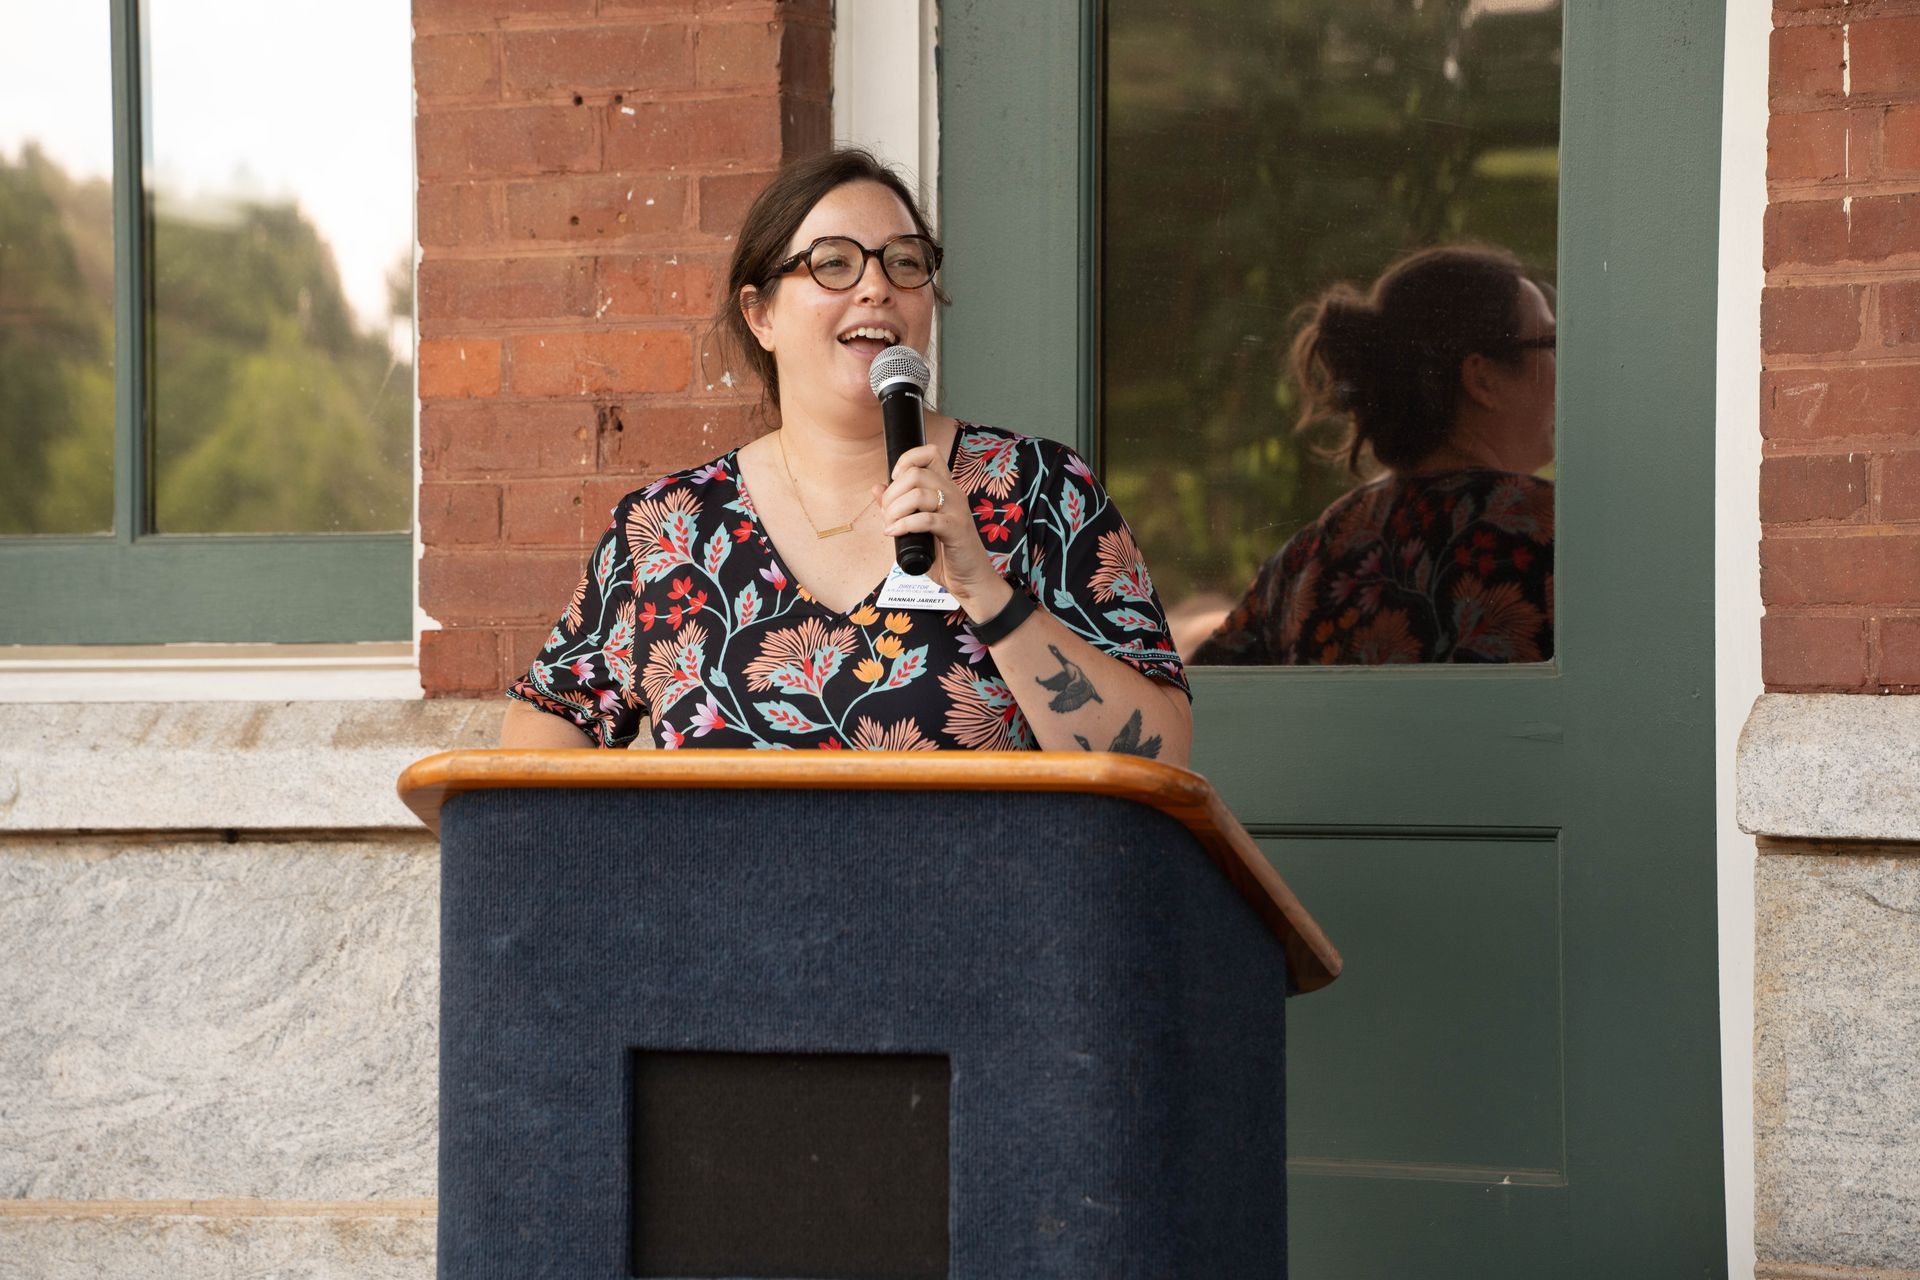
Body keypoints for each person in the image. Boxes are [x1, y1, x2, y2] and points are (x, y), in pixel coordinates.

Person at [501, 148, 1193, 760]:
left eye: (905, 262)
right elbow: (546, 724)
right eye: (833, 262)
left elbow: (1158, 757)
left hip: (983, 906)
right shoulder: (666, 530)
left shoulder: (1038, 489)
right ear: (760, 314)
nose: (875, 287)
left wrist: (988, 593)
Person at [1191, 244, 1556, 666]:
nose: (1563, 365)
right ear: (1482, 379)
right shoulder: (1558, 537)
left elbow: (1199, 697)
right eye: (1549, 341)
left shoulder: (1311, 555)